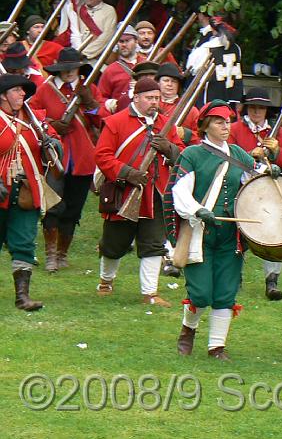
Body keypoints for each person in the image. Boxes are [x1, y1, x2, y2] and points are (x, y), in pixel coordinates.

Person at [165, 99, 279, 360]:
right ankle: (188, 329)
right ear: (205, 126)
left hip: (231, 236)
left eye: (227, 121)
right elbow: (180, 191)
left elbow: (254, 180)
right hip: (200, 233)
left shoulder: (238, 154)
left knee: (226, 291)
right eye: (219, 121)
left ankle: (216, 346)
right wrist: (197, 211)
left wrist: (271, 171)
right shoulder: (192, 155)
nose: (225, 125)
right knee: (201, 292)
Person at [94, 78, 184, 307]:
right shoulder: (115, 122)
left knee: (153, 244)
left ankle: (150, 293)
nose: (154, 102)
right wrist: (126, 173)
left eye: (157, 98)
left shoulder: (166, 124)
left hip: (156, 194)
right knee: (114, 243)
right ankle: (106, 281)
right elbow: (103, 156)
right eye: (149, 98)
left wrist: (169, 149)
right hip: (125, 192)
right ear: (136, 97)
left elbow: (183, 157)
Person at [29, 48, 110, 272]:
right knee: (54, 205)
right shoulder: (46, 89)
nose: (67, 73)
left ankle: (63, 254)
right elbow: (32, 113)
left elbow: (102, 120)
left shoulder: (89, 88)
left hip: (82, 157)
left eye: (71, 69)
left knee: (73, 208)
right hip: (54, 155)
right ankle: (51, 256)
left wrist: (90, 103)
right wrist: (51, 125)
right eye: (63, 69)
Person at [229, 86, 282, 300]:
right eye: (253, 107)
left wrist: (276, 152)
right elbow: (227, 157)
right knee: (235, 235)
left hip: (270, 192)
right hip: (241, 190)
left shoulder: (281, 133)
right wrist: (250, 156)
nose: (257, 112)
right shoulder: (234, 130)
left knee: (274, 233)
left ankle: (272, 280)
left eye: (261, 108)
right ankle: (233, 278)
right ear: (246, 109)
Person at [0, 74, 62, 310]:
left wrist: (53, 145)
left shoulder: (35, 120)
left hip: (26, 191)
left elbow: (54, 142)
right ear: (3, 96)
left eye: (22, 90)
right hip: (1, 188)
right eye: (16, 90)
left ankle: (22, 297)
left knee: (24, 242)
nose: (22, 94)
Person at [155, 62, 200, 277]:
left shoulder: (190, 110)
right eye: (166, 81)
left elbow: (200, 140)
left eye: (173, 82)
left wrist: (187, 134)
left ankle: (171, 254)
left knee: (174, 210)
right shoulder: (153, 106)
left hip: (178, 166)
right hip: (153, 167)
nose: (169, 85)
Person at [185, 15, 243, 107]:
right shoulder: (236, 48)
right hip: (231, 97)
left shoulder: (206, 48)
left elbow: (191, 67)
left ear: (212, 29)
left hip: (211, 97)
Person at [97, 25, 146, 113]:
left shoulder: (146, 64)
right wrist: (111, 103)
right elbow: (100, 98)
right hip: (121, 116)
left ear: (136, 41)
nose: (124, 44)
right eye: (120, 41)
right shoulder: (110, 70)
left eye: (127, 41)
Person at [76, 0, 117, 64]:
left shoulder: (109, 11)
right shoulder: (80, 9)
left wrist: (85, 53)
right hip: (77, 52)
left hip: (97, 56)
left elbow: (106, 36)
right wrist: (77, 51)